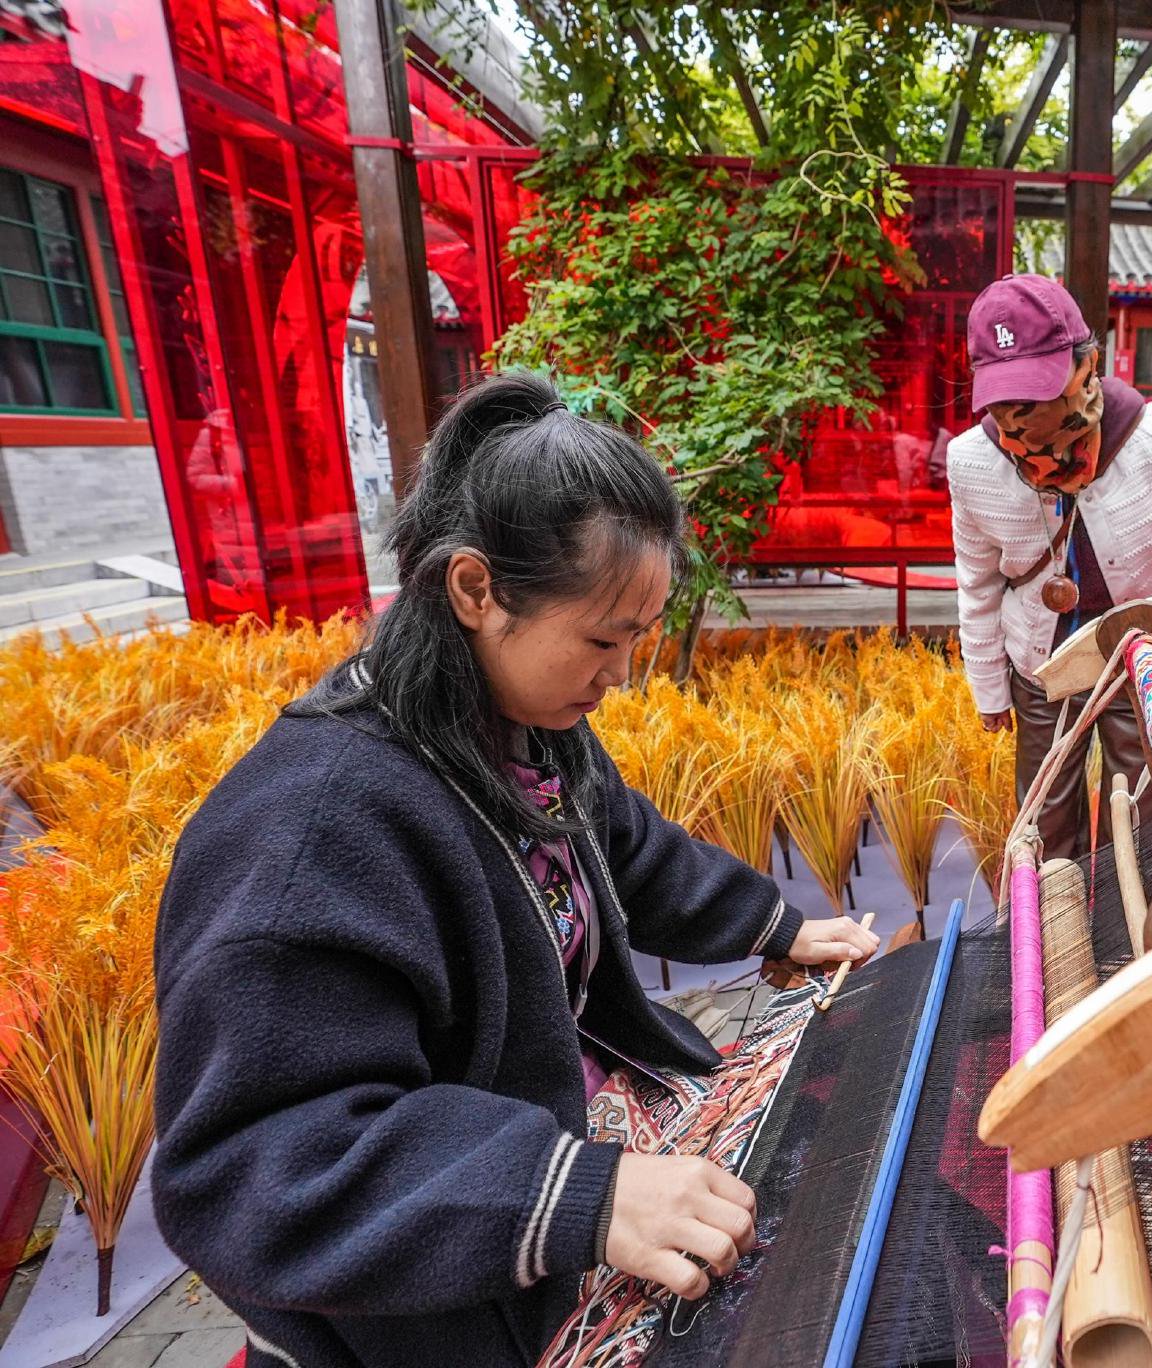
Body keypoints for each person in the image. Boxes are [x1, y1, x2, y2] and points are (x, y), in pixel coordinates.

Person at [152, 372, 880, 1368]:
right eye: (602, 638)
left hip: (548, 1150)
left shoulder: (515, 730)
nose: (621, 674)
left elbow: (621, 840)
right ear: (474, 591)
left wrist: (775, 927)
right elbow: (254, 1165)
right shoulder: (308, 835)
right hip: (427, 1312)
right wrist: (579, 1192)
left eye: (637, 638)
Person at [949, 275, 1152, 860]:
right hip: (1038, 661)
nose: (1021, 418)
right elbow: (978, 584)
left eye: (1038, 388)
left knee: (1142, 810)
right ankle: (1054, 939)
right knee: (1042, 815)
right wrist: (989, 688)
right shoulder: (973, 462)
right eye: (1006, 397)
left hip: (1143, 658)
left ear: (1086, 364)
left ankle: (1131, 939)